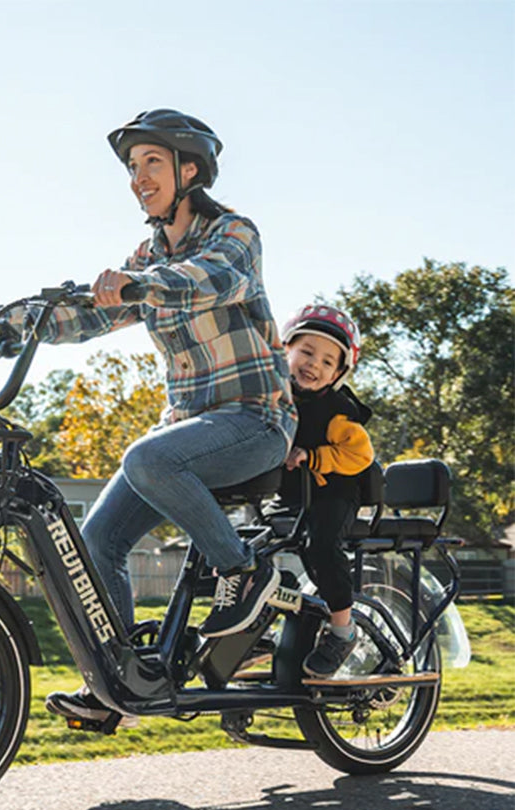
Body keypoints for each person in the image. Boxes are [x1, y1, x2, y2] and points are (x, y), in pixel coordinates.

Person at [22, 109, 297, 725]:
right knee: (95, 540)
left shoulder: (235, 234)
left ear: (188, 169)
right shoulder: (148, 253)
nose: (138, 177)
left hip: (256, 422)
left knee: (146, 456)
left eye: (151, 163)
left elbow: (209, 281)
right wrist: (15, 324)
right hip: (190, 431)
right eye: (131, 167)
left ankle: (245, 573)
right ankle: (121, 680)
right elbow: (96, 314)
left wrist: (138, 283)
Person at [280, 303, 375, 677]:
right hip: (292, 494)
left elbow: (361, 454)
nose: (313, 365)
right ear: (285, 351)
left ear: (338, 373)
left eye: (326, 362)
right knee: (244, 545)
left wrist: (316, 457)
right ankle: (255, 617)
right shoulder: (274, 399)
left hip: (333, 492)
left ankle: (342, 630)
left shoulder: (336, 411)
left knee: (321, 544)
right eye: (305, 352)